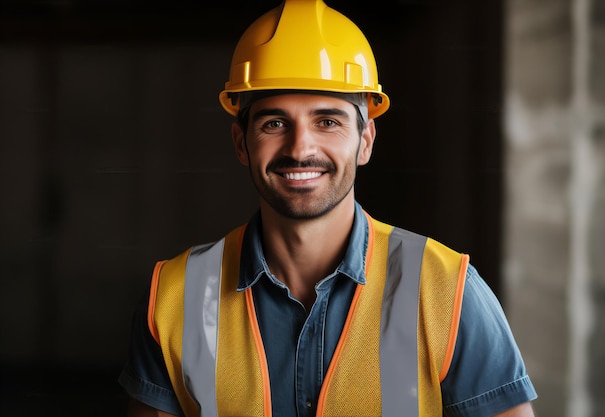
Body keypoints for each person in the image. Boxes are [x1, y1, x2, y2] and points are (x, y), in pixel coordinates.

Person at [118, 0, 538, 416]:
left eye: (328, 121)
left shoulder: (448, 291)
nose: (301, 148)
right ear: (241, 142)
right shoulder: (175, 296)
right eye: (274, 123)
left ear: (366, 140)